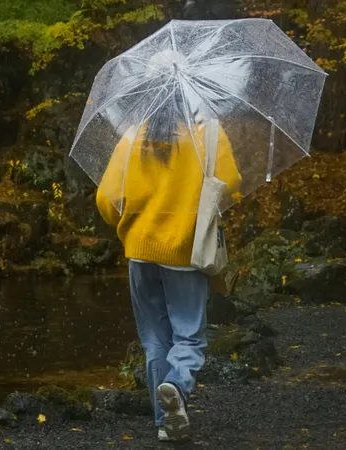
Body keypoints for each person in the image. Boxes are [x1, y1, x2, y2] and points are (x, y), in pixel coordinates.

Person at [96, 119, 241, 441]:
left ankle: (166, 424)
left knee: (155, 341)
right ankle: (175, 384)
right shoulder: (209, 133)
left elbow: (106, 200)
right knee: (188, 337)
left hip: (139, 251)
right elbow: (230, 181)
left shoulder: (134, 135)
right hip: (185, 252)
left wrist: (130, 229)